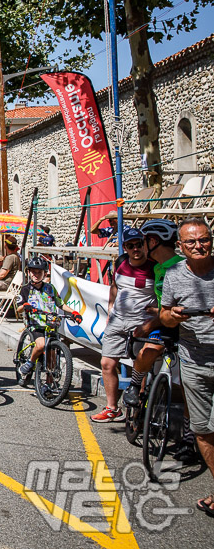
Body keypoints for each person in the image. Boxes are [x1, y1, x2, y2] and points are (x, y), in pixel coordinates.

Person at [158, 218, 214, 517]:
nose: (198, 246)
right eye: (191, 242)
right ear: (180, 246)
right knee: (203, 429)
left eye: (203, 240)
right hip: (193, 359)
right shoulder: (174, 274)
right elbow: (165, 315)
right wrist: (173, 317)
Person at [92, 227, 156, 423]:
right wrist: (111, 309)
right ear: (125, 248)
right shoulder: (120, 263)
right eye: (130, 246)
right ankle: (112, 408)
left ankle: (139, 409)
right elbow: (115, 286)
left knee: (141, 365)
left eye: (138, 244)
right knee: (107, 364)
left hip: (141, 323)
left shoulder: (155, 267)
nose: (135, 249)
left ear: (144, 244)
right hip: (117, 321)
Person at [123, 219, 182, 408]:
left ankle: (189, 433)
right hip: (164, 322)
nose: (141, 246)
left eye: (144, 241)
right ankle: (134, 386)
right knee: (147, 350)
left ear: (154, 242)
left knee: (187, 385)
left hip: (183, 326)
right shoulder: (157, 267)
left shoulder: (181, 266)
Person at [16, 257, 82, 384]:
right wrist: (25, 306)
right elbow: (19, 307)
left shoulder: (50, 288)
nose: (36, 275)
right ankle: (30, 363)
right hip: (36, 325)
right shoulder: (25, 289)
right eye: (33, 272)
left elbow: (60, 304)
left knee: (52, 357)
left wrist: (74, 312)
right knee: (41, 345)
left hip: (52, 325)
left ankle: (49, 384)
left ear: (44, 274)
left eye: (39, 272)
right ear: (29, 272)